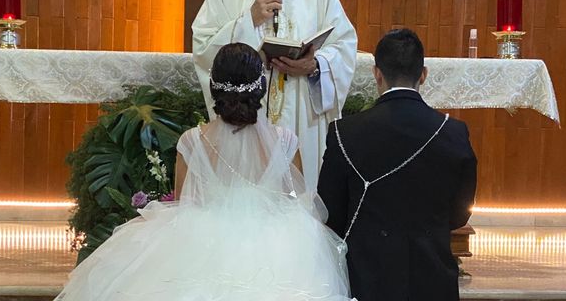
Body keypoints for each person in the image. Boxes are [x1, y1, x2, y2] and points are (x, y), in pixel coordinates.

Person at [57, 43, 353, 301]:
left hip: (202, 244)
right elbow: (296, 203)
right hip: (277, 251)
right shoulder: (286, 141)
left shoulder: (192, 141)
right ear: (260, 88)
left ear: (215, 88)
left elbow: (187, 206)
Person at [192, 0, 357, 189]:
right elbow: (204, 49)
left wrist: (315, 65)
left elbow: (343, 44)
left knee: (298, 200)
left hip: (300, 109)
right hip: (244, 120)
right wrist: (249, 20)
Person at [318, 28, 477, 301]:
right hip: (432, 278)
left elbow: (330, 212)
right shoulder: (453, 132)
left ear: (376, 73)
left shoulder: (344, 133)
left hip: (368, 278)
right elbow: (460, 215)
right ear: (423, 74)